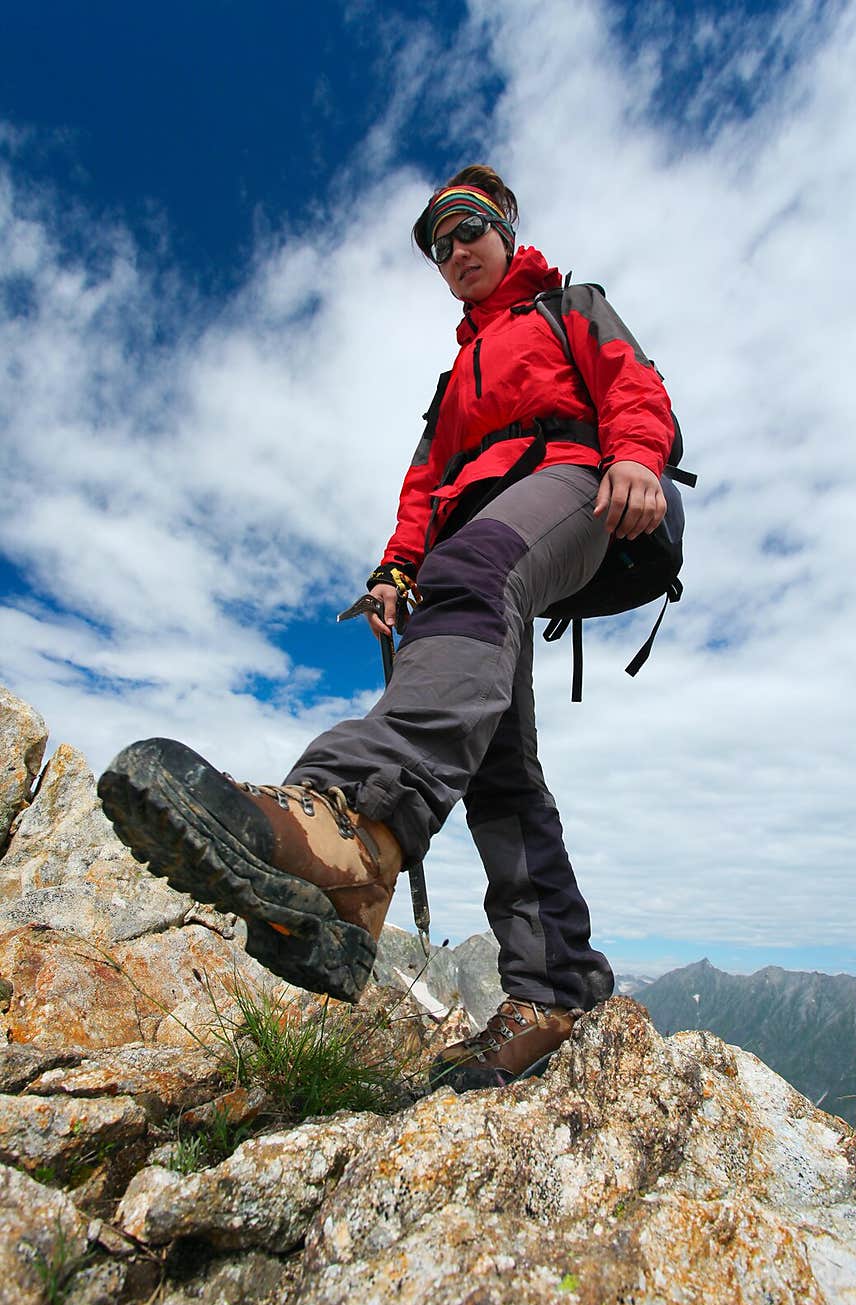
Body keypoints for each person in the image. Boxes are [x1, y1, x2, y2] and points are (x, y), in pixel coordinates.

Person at [98, 164, 675, 1094]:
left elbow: (630, 380)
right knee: (498, 764)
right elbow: (424, 486)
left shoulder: (568, 306)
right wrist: (394, 569)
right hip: (476, 545)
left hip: (572, 485)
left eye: (465, 232)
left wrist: (639, 454)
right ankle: (552, 985)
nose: (453, 255)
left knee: (474, 567)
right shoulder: (453, 384)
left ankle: (357, 825)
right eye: (436, 248)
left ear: (503, 230)